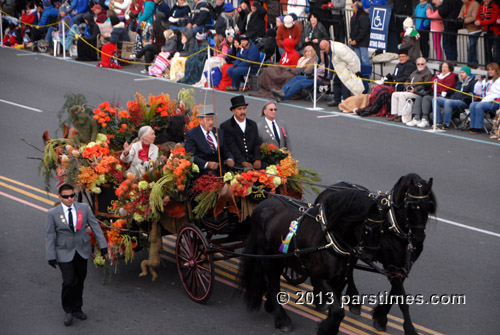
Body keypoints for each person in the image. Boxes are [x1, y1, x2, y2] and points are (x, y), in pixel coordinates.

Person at [46, 184, 108, 327]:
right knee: (69, 281)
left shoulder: (83, 209)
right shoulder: (52, 213)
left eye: (72, 196)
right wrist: (51, 255)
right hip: (63, 251)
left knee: (79, 280)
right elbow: (50, 236)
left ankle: (77, 308)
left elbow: (95, 226)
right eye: (66, 196)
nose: (69, 199)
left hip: (81, 249)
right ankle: (68, 310)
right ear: (60, 197)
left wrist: (103, 245)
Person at [185, 108, 235, 174]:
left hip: (221, 169)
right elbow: (191, 155)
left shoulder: (219, 132)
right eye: (208, 120)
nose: (211, 122)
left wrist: (230, 158)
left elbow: (226, 150)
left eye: (212, 119)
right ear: (200, 120)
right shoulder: (192, 134)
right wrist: (207, 164)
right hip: (203, 171)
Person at [407, 61, 456, 128]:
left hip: (442, 96)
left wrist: (435, 86)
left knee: (426, 98)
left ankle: (425, 118)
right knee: (419, 97)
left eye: (446, 67)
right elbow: (432, 84)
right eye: (443, 67)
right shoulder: (437, 75)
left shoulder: (451, 77)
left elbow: (443, 88)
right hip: (433, 93)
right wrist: (434, 86)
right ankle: (416, 118)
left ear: (450, 68)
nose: (444, 69)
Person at [220, 95, 262, 169]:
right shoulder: (226, 126)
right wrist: (243, 161)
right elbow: (231, 146)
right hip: (237, 162)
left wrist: (257, 159)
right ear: (233, 111)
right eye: (239, 109)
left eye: (244, 108)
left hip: (253, 160)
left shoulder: (252, 124)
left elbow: (257, 143)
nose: (242, 111)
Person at [388, 57, 433, 123]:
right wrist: (407, 86)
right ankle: (395, 114)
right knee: (395, 94)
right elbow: (407, 80)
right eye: (418, 64)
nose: (420, 65)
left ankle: (401, 115)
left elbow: (425, 87)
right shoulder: (414, 72)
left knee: (402, 95)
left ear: (425, 64)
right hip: (410, 90)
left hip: (418, 92)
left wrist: (414, 90)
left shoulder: (427, 73)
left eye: (422, 64)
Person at [469, 62, 500, 134]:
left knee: (479, 106)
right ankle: (472, 125)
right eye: (489, 70)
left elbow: (497, 94)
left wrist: (485, 100)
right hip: (485, 100)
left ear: (496, 70)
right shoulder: (486, 80)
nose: (490, 71)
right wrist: (479, 82)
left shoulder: (498, 80)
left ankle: (478, 127)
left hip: (494, 102)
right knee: (473, 105)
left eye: (492, 70)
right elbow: (477, 91)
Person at [475, 0, 500, 66]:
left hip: (494, 30)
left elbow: (493, 20)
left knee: (496, 49)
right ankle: (489, 65)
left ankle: (496, 65)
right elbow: (478, 16)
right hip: (486, 30)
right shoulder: (481, 6)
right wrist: (478, 20)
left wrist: (481, 23)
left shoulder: (495, 6)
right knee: (487, 48)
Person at [458, 0, 480, 67]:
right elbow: (461, 14)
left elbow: (474, 17)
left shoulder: (475, 4)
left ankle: (471, 63)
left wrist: (464, 20)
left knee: (470, 46)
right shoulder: (464, 5)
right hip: (469, 29)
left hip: (475, 29)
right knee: (471, 46)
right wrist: (460, 18)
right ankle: (473, 63)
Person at [348, 1, 371, 66]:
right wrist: (351, 38)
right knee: (357, 59)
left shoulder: (363, 17)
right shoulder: (353, 17)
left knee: (364, 59)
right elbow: (352, 29)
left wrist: (356, 40)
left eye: (354, 6)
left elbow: (363, 31)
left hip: (362, 42)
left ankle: (366, 75)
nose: (352, 6)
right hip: (355, 41)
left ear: (357, 8)